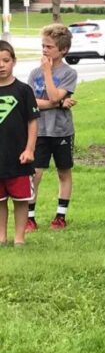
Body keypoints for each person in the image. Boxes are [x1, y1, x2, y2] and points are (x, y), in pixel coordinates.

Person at [26, 24, 78, 232]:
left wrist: (48, 73)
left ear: (63, 50)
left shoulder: (69, 73)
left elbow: (55, 94)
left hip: (61, 131)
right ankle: (30, 217)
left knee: (63, 172)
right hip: (39, 131)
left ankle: (60, 216)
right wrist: (56, 103)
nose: (44, 50)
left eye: (49, 47)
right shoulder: (33, 73)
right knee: (35, 174)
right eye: (43, 46)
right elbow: (31, 102)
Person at [0, 41, 40, 247]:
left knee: (20, 199)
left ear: (14, 61)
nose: (1, 65)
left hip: (19, 157)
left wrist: (30, 148)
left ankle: (19, 238)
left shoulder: (23, 90)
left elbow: (33, 121)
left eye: (5, 60)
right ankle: (1, 237)